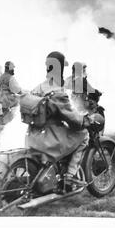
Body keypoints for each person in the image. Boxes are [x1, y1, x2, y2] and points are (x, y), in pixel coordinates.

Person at [26, 51, 95, 191]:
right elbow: (73, 119)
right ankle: (70, 176)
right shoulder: (58, 91)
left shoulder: (37, 88)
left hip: (32, 138)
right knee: (83, 135)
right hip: (49, 140)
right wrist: (86, 121)